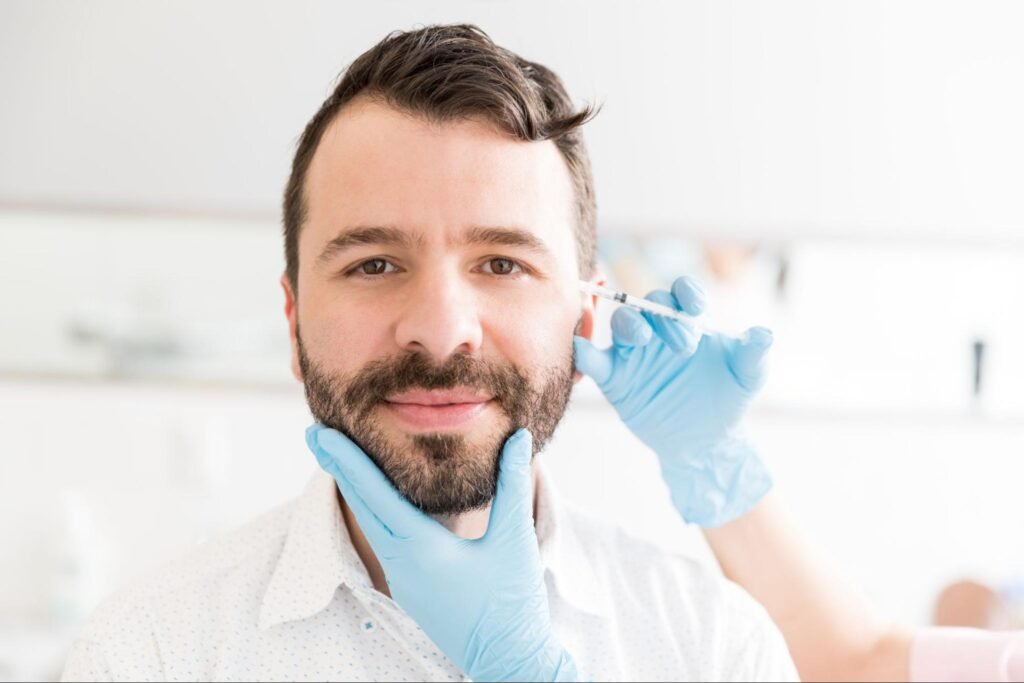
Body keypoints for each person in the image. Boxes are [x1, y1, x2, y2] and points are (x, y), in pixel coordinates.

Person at [61, 24, 797, 682]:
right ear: (293, 321)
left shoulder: (714, 647)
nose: (442, 333)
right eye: (375, 264)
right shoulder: (145, 654)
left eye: (502, 263)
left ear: (585, 316)